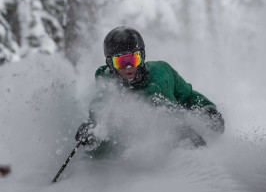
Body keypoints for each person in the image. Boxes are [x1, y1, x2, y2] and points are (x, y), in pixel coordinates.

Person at [76, 26, 224, 157]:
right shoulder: (107, 94)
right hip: (140, 166)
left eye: (133, 59)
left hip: (183, 141)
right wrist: (92, 138)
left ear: (142, 56)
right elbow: (103, 142)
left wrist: (207, 111)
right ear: (110, 64)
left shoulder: (162, 73)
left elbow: (188, 96)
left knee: (198, 148)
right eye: (120, 62)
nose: (128, 67)